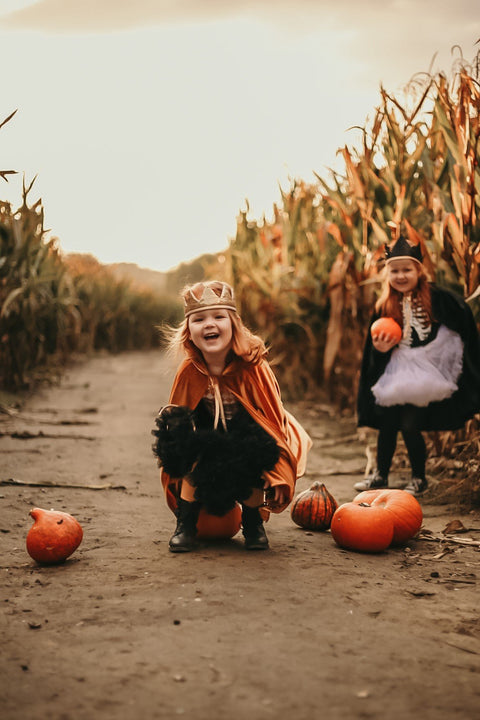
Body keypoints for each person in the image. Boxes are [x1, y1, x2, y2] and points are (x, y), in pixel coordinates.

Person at [152, 280, 312, 552]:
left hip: (248, 432)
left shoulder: (252, 366)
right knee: (190, 457)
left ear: (234, 325)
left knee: (251, 461)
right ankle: (186, 523)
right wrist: (178, 438)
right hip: (207, 434)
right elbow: (180, 411)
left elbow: (270, 415)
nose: (209, 324)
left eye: (218, 317)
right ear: (189, 331)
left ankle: (252, 523)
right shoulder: (190, 370)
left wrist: (274, 456)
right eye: (199, 319)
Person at [355, 236, 480, 496]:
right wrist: (379, 351)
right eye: (395, 271)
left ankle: (418, 478)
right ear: (387, 273)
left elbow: (460, 318)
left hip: (426, 368)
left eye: (406, 270)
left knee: (411, 425)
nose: (401, 276)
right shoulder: (383, 305)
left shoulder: (438, 298)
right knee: (387, 423)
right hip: (395, 369)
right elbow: (374, 350)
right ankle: (380, 475)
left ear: (418, 270)